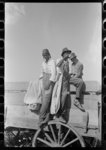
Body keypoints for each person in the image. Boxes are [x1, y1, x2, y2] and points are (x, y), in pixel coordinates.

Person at [38, 49, 57, 128]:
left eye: (46, 55)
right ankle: (47, 117)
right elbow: (42, 73)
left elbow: (54, 74)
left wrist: (49, 84)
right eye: (43, 55)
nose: (45, 56)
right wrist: (39, 79)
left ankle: (41, 118)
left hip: (50, 81)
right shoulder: (43, 63)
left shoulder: (52, 62)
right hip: (44, 80)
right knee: (44, 100)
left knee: (46, 100)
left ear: (49, 55)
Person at [55, 47, 71, 123]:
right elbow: (57, 65)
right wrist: (63, 59)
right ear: (63, 54)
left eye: (68, 53)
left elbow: (67, 72)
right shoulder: (59, 60)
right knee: (60, 98)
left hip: (65, 82)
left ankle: (61, 114)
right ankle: (58, 114)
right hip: (60, 80)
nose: (68, 55)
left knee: (64, 97)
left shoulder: (68, 62)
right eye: (67, 53)